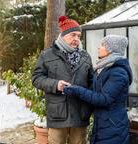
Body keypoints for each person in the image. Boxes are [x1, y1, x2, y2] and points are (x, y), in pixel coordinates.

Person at [31, 15, 94, 144]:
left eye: (78, 36)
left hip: (80, 113)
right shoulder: (47, 55)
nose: (76, 39)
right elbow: (36, 78)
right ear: (63, 35)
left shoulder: (85, 56)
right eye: (73, 35)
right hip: (58, 114)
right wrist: (55, 84)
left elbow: (92, 82)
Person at [63, 34, 132, 144]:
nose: (98, 47)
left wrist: (76, 90)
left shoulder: (118, 73)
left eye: (102, 45)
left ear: (111, 50)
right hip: (104, 123)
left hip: (113, 126)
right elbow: (94, 90)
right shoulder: (104, 68)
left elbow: (103, 99)